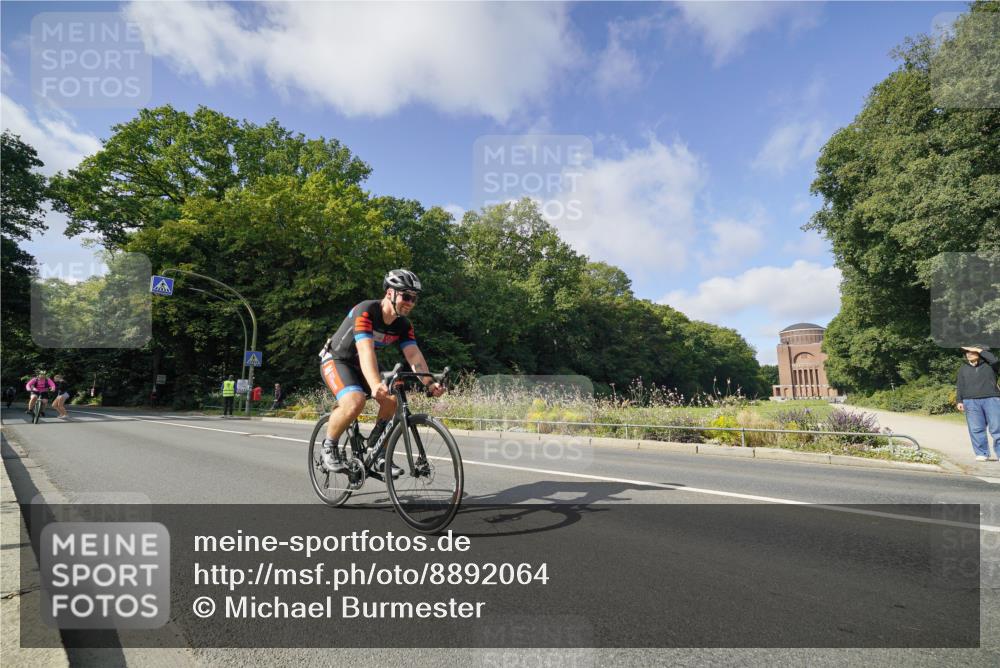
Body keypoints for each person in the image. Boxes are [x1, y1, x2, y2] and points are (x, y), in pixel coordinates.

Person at [318, 269, 445, 478]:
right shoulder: (366, 311)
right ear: (389, 293)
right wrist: (376, 384)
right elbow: (365, 350)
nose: (410, 302)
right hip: (337, 360)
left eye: (414, 298)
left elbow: (413, 355)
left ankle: (376, 451)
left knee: (391, 399)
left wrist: (429, 382)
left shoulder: (403, 324)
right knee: (355, 401)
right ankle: (328, 446)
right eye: (406, 296)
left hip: (360, 365)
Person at [956, 345, 1000, 462]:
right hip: (970, 401)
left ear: (979, 353)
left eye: (972, 352)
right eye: (966, 352)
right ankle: (982, 453)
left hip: (991, 399)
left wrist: (979, 349)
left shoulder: (990, 365)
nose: (968, 354)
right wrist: (959, 401)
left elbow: (995, 360)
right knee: (976, 429)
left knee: (997, 428)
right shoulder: (963, 368)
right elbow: (960, 385)